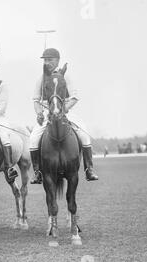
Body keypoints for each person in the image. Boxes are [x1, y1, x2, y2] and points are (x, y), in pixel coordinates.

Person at [29, 48, 99, 184]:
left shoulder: (66, 77)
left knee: (84, 134)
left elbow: (75, 97)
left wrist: (64, 109)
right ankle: (37, 172)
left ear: (57, 61)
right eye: (45, 60)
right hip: (46, 112)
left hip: (65, 110)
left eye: (50, 60)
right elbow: (36, 100)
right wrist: (39, 113)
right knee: (33, 138)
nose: (47, 62)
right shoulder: (41, 78)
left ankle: (89, 169)